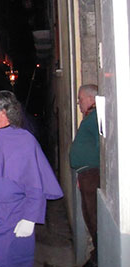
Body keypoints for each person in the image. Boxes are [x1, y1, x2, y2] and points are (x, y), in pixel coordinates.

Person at [0, 91, 63, 266]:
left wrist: (30, 218)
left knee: (10, 258)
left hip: (13, 213)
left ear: (4, 112)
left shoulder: (25, 141)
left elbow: (35, 184)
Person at [69, 84, 99, 267]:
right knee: (88, 215)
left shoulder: (95, 118)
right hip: (86, 174)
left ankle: (97, 257)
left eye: (80, 99)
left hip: (92, 174)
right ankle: (96, 254)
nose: (78, 103)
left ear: (91, 99)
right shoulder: (89, 117)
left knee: (93, 215)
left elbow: (100, 146)